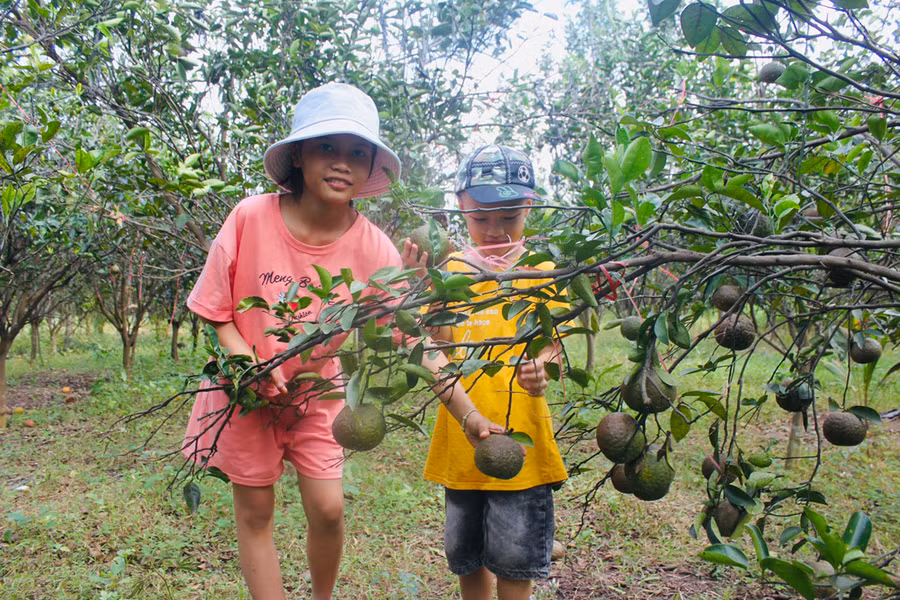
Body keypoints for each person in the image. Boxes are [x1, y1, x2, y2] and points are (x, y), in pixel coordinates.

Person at [182, 82, 501, 600]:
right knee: (255, 511)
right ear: (301, 156)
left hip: (320, 397)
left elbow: (412, 342)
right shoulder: (250, 217)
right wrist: (248, 365)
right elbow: (217, 312)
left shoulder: (373, 246)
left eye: (358, 152)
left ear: (371, 165)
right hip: (243, 395)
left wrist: (470, 416)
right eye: (327, 146)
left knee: (329, 509)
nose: (341, 163)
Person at [403, 145, 569, 600]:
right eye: (481, 219)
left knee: (517, 559)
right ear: (461, 208)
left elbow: (556, 346)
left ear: (529, 207)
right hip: (462, 440)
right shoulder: (451, 271)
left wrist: (543, 366)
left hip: (523, 448)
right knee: (467, 555)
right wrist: (421, 289)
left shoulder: (544, 271)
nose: (494, 230)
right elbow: (435, 347)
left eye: (508, 216)